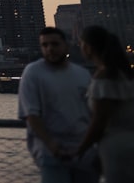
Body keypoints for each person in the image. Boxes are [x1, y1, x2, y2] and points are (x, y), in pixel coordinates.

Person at [17, 26, 98, 183]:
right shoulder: (32, 72)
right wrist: (52, 146)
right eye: (45, 45)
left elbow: (93, 113)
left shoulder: (82, 74)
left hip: (85, 152)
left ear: (66, 46)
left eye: (54, 44)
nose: (50, 49)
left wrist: (90, 146)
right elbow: (31, 115)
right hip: (51, 153)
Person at [75, 25, 134, 183]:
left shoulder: (104, 77)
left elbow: (99, 121)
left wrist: (80, 149)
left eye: (80, 44)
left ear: (88, 47)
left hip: (116, 147)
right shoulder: (124, 73)